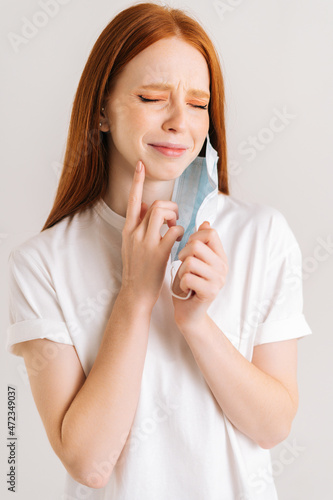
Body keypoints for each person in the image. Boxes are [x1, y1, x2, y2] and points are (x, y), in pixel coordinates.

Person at [6, 2, 312, 499]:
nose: (179, 122)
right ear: (101, 110)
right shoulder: (40, 263)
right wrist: (135, 295)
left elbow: (272, 427)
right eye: (152, 97)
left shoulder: (264, 235)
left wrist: (195, 323)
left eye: (197, 103)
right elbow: (89, 463)